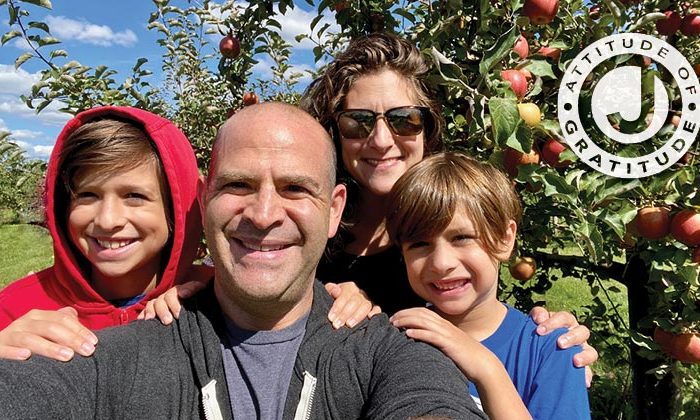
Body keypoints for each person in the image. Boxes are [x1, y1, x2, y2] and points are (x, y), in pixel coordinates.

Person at [0, 103, 487, 419]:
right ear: (205, 200)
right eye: (238, 185)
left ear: (335, 209)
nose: (265, 213)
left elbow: (427, 401)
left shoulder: (388, 352)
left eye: (296, 188)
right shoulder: (96, 352)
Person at [299, 32, 598, 382]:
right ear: (336, 133)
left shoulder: (460, 223)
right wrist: (320, 300)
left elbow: (488, 325)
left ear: (427, 127)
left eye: (403, 119)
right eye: (358, 121)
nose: (380, 140)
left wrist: (550, 351)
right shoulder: (308, 232)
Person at [0, 106, 373, 362]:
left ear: (176, 209)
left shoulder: (214, 293)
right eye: (87, 196)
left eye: (135, 196)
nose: (108, 219)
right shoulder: (18, 308)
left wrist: (341, 296)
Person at [387, 152, 591, 419]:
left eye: (461, 237)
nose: (441, 263)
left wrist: (486, 368)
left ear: (505, 239)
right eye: (419, 244)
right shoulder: (395, 339)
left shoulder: (552, 350)